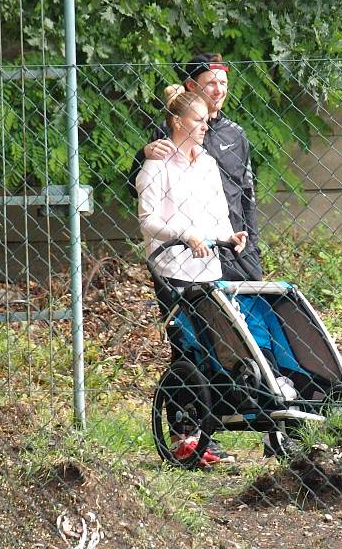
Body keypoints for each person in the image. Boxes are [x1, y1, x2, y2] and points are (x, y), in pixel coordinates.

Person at [136, 85, 247, 467]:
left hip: (208, 268)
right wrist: (185, 234)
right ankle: (184, 435)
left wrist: (229, 236)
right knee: (186, 348)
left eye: (207, 120)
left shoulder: (208, 164)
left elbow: (218, 215)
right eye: (198, 120)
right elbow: (149, 221)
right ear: (178, 122)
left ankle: (207, 434)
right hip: (174, 270)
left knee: (217, 349)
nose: (205, 125)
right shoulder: (156, 166)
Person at [131, 53, 263, 281]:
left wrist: (251, 243)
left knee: (249, 310)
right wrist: (141, 154)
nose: (219, 90)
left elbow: (247, 193)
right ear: (191, 86)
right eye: (211, 83)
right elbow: (137, 188)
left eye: (223, 83)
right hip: (188, 252)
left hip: (231, 241)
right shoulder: (167, 132)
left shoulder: (235, 134)